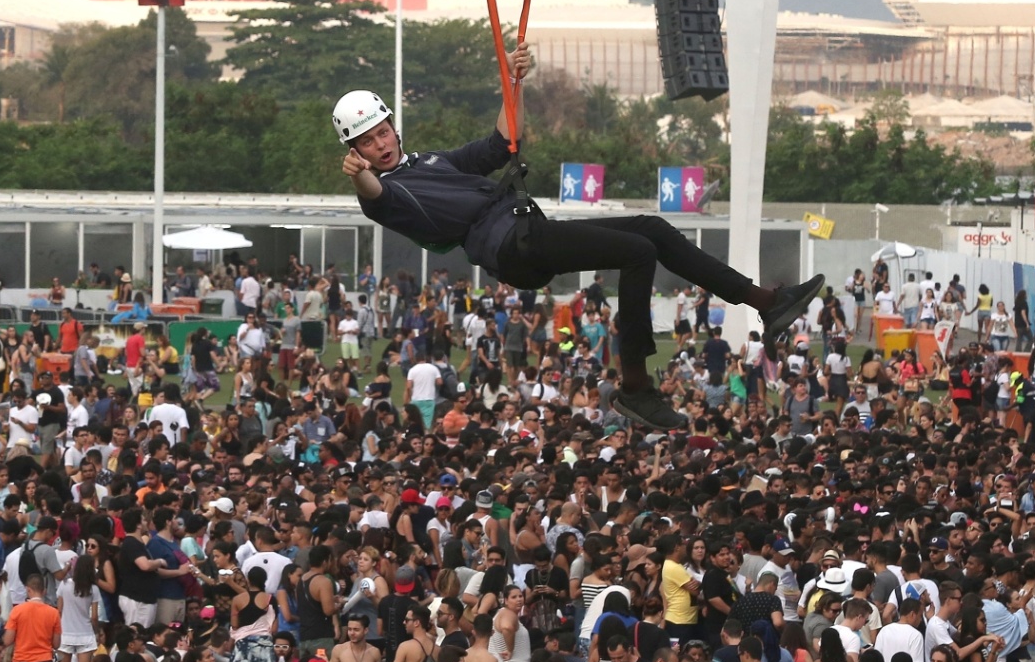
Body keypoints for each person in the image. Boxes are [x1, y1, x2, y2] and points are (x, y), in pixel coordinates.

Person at [336, 73, 821, 430]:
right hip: (512, 248)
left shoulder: (434, 161)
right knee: (636, 253)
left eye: (382, 132)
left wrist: (513, 81)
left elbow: (502, 141)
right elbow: (372, 194)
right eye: (366, 142)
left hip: (528, 231)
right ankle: (634, 387)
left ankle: (765, 303)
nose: (379, 145)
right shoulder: (391, 194)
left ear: (394, 128)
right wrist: (358, 172)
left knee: (650, 229)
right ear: (356, 149)